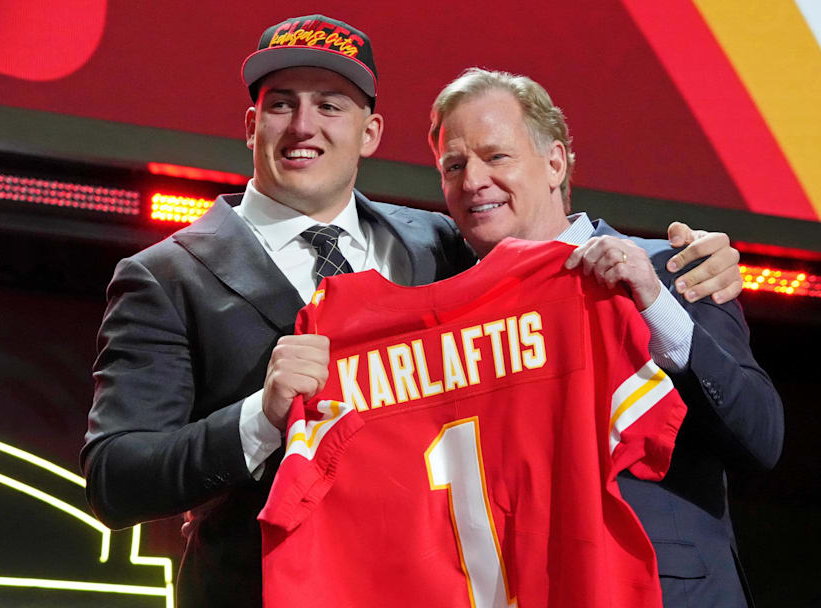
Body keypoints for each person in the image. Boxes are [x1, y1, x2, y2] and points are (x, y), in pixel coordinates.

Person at [81, 15, 745, 607]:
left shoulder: (443, 243)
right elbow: (116, 477)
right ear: (252, 125)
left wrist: (675, 260)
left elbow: (554, 247)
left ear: (369, 133)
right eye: (281, 104)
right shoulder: (163, 277)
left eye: (330, 105)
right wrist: (262, 417)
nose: (304, 126)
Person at [427, 67, 784, 607]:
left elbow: (762, 436)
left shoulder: (678, 268)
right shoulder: (449, 314)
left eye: (496, 156)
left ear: (555, 162)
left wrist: (655, 305)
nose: (473, 179)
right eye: (454, 165)